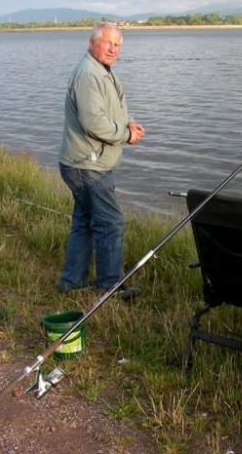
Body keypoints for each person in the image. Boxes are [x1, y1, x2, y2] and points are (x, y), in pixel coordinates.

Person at [58, 22, 144, 299]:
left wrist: (127, 122)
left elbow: (107, 109)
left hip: (84, 161)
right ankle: (110, 287)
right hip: (87, 165)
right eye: (108, 43)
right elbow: (93, 122)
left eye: (117, 45)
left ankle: (72, 282)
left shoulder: (102, 71)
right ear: (92, 42)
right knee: (111, 223)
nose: (113, 49)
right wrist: (125, 135)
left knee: (85, 221)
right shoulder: (88, 74)